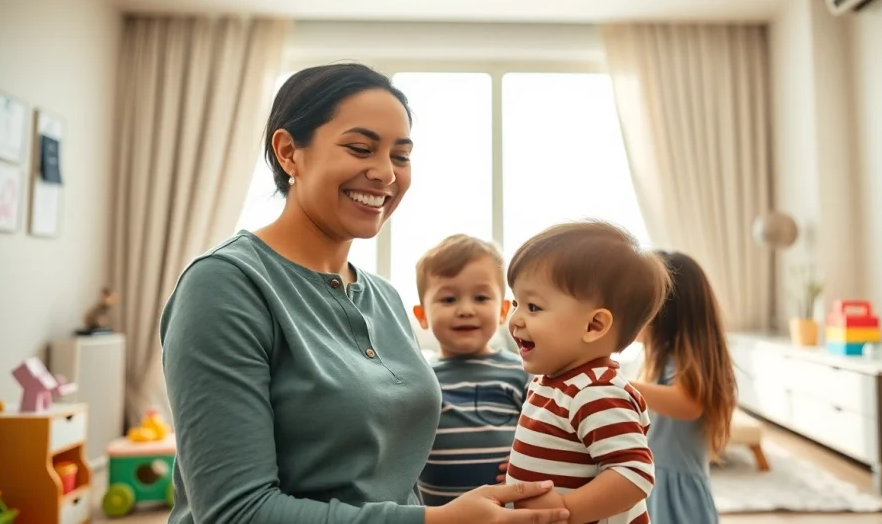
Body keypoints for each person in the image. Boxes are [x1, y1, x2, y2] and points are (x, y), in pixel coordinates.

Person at [159, 63, 571, 524]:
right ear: (289, 152)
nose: (385, 173)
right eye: (360, 148)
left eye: (401, 156)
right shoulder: (224, 286)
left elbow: (392, 478)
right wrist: (437, 521)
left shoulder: (385, 299)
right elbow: (236, 513)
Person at [504, 221, 671, 524]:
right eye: (516, 303)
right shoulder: (550, 382)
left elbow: (634, 474)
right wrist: (527, 465)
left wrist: (565, 510)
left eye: (533, 307)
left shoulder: (595, 393)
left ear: (594, 326)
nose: (515, 319)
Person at [412, 234, 531, 505]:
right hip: (442, 515)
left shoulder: (521, 372)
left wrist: (532, 456)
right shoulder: (419, 378)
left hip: (507, 513)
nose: (466, 310)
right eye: (448, 299)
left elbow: (552, 432)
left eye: (480, 297)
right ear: (422, 315)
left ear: (503, 311)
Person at [631, 251, 737, 524]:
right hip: (660, 483)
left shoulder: (681, 361)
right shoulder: (662, 359)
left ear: (664, 314)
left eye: (637, 306)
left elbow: (689, 403)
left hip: (677, 495)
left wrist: (623, 385)